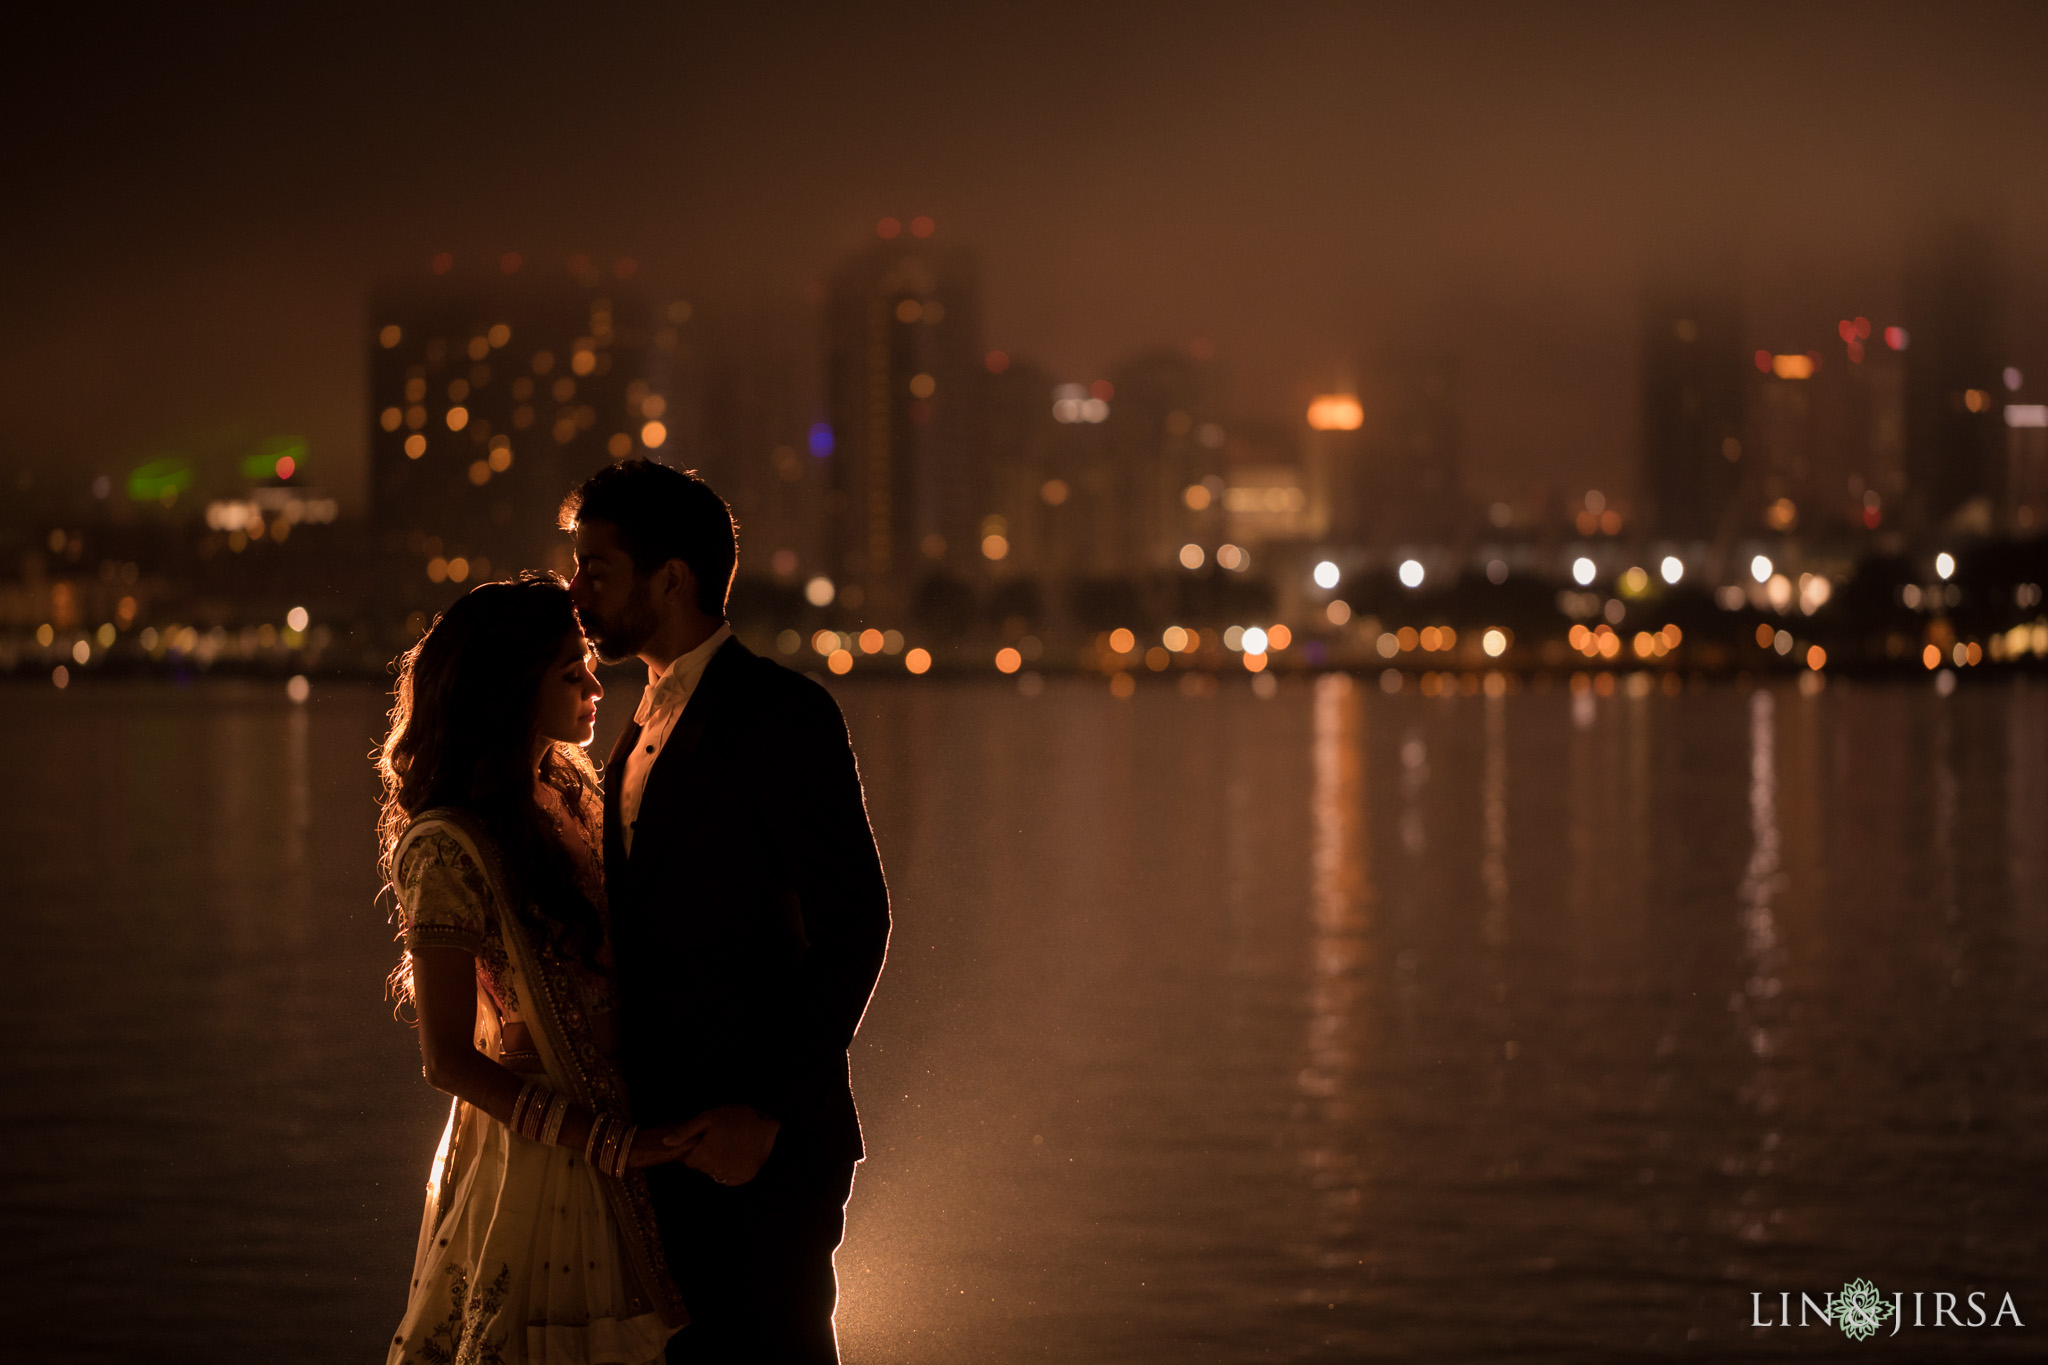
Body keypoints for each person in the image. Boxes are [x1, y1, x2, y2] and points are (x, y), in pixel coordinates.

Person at [560, 460, 890, 1365]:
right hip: (661, 1145)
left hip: (763, 1150)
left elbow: (857, 926)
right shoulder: (632, 728)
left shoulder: (783, 713)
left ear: (672, 577)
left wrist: (767, 1112)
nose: (576, 592)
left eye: (597, 569)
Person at [377, 572, 692, 1364]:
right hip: (550, 1160)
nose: (595, 683)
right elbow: (446, 1056)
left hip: (633, 1128)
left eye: (588, 662)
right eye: (570, 671)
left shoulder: (571, 792)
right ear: (511, 685)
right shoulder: (447, 844)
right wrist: (608, 1142)